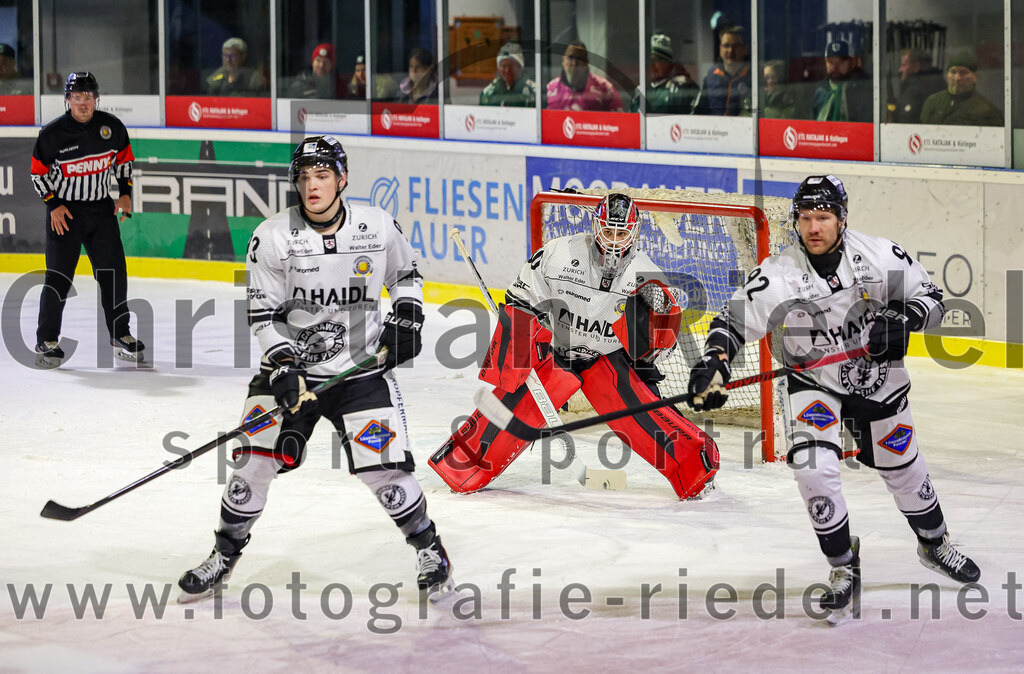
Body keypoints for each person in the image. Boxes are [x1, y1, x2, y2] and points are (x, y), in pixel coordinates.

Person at [687, 175, 981, 625]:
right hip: (815, 381)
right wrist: (714, 363)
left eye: (823, 217)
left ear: (842, 219)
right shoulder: (778, 274)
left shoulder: (880, 255)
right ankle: (844, 567)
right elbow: (732, 320)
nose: (814, 228)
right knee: (813, 468)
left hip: (878, 378)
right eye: (805, 218)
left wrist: (904, 319)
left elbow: (933, 297)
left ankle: (935, 544)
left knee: (904, 470)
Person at [176, 135, 455, 604]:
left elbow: (406, 276)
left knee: (382, 468)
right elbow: (263, 316)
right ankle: (224, 554)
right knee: (254, 461)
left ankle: (430, 550)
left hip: (361, 369)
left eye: (322, 175)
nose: (312, 184)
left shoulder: (377, 226)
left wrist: (407, 317)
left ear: (342, 179)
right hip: (289, 370)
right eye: (304, 177)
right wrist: (285, 368)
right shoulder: (273, 236)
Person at [430, 193, 720, 500]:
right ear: (595, 228)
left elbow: (658, 352)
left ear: (634, 233)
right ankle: (464, 464)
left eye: (621, 233)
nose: (613, 241)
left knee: (647, 416)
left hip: (607, 359)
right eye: (608, 231)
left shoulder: (647, 277)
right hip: (556, 350)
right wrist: (523, 337)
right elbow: (521, 298)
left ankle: (695, 467)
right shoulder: (559, 253)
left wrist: (655, 337)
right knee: (513, 408)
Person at [29, 72, 143, 368]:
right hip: (65, 215)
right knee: (58, 278)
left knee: (114, 273)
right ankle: (47, 339)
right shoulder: (52, 135)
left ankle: (120, 334)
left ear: (97, 99)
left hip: (100, 212)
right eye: (77, 97)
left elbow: (125, 161)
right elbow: (37, 173)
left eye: (88, 97)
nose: (83, 103)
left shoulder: (112, 127)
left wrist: (125, 193)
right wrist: (52, 204)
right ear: (67, 100)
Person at [919, 51, 1003, 127]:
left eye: (963, 72)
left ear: (975, 77)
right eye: (953, 72)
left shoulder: (987, 110)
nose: (957, 78)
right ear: (947, 75)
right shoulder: (932, 102)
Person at [545, 42, 623, 112]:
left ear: (586, 62)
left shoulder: (604, 88)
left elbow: (620, 121)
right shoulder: (550, 88)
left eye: (579, 59)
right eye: (571, 58)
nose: (575, 63)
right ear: (563, 60)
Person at [631, 33, 697, 114]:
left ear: (668, 63)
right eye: (647, 61)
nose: (651, 65)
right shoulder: (640, 92)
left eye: (656, 60)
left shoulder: (680, 88)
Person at [691, 25, 750, 116]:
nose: (730, 50)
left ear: (745, 49)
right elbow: (699, 110)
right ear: (720, 49)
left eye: (736, 46)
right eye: (726, 46)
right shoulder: (711, 74)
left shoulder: (754, 75)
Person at [812, 40, 871, 123]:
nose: (835, 67)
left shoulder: (862, 89)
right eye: (830, 62)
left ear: (852, 63)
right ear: (825, 62)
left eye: (841, 62)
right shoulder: (820, 91)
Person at [888, 48, 944, 123]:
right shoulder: (941, 84)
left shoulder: (914, 90)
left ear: (916, 66)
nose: (900, 70)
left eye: (904, 65)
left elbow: (906, 119)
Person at [479, 42, 536, 107]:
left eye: (511, 66)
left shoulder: (533, 92)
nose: (507, 70)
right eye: (503, 66)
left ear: (520, 67)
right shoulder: (489, 93)